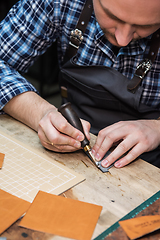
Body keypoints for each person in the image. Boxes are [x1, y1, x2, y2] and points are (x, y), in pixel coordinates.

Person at [0, 0, 160, 169]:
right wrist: (41, 113)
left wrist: (157, 128)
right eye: (113, 16)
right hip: (68, 150)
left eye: (147, 26)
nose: (123, 40)